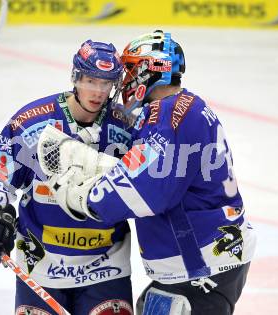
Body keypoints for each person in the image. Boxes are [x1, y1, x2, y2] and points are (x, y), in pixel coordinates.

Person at [40, 30, 257, 315]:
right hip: (205, 259)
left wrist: (86, 198)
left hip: (198, 267)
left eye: (130, 70)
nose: (126, 80)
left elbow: (148, 191)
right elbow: (155, 172)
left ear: (148, 71)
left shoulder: (171, 115)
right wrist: (101, 167)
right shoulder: (180, 109)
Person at [0, 40, 134, 315]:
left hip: (106, 267)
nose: (97, 91)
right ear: (75, 76)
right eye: (91, 80)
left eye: (105, 83)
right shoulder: (32, 122)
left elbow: (148, 186)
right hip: (41, 265)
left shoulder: (127, 127)